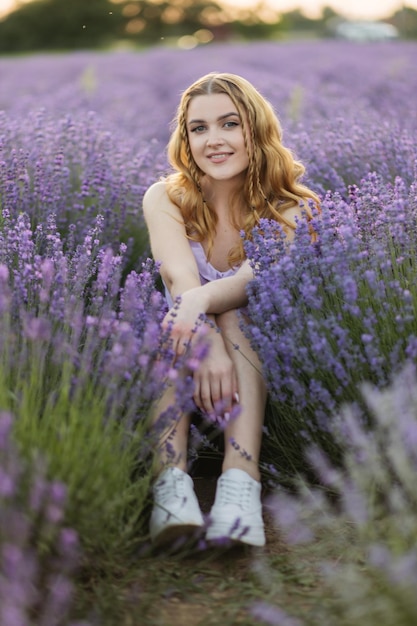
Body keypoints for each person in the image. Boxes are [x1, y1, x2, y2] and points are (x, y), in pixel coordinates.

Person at [143, 72, 320, 548]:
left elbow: (252, 282)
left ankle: (239, 485)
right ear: (186, 138)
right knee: (173, 326)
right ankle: (171, 485)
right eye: (198, 128)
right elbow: (179, 279)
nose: (213, 140)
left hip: (258, 342)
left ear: (256, 131)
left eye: (229, 124)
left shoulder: (291, 206)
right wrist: (204, 333)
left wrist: (204, 304)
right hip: (186, 338)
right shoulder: (166, 197)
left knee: (235, 313)